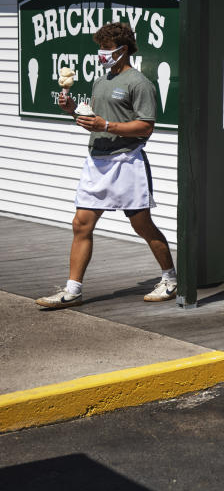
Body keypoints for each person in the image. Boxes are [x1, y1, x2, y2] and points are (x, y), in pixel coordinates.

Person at [37, 22, 176, 309]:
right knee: (81, 224)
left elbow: (146, 127)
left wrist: (107, 124)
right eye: (100, 48)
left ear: (123, 50)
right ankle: (72, 290)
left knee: (142, 225)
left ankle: (170, 279)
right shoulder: (101, 81)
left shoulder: (140, 83)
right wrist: (73, 109)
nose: (102, 53)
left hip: (127, 161)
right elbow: (96, 119)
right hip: (97, 160)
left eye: (107, 48)